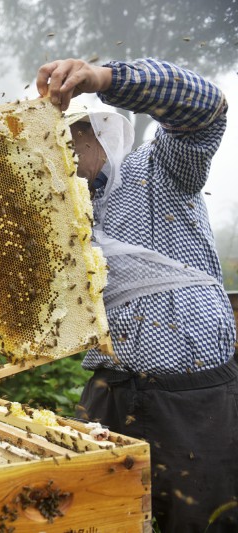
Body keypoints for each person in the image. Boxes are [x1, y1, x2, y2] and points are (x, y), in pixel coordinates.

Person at [37, 57, 237, 532]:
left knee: (200, 521)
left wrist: (104, 77)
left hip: (193, 399)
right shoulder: (58, 218)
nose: (53, 155)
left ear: (94, 131)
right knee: (103, 519)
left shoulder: (161, 168)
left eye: (63, 139)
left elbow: (207, 107)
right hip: (110, 393)